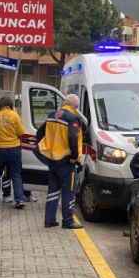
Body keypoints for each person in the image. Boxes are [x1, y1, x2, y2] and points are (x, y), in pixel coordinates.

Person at [36, 94, 84, 229]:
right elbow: (73, 138)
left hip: (52, 159)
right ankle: (68, 221)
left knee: (53, 190)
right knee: (68, 191)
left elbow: (40, 133)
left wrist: (44, 149)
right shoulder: (73, 118)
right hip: (66, 160)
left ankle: (49, 220)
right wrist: (75, 156)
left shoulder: (52, 115)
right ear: (76, 106)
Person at [0, 96, 26, 209]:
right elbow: (21, 132)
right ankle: (19, 200)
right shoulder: (14, 115)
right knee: (16, 174)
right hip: (14, 149)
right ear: (10, 105)